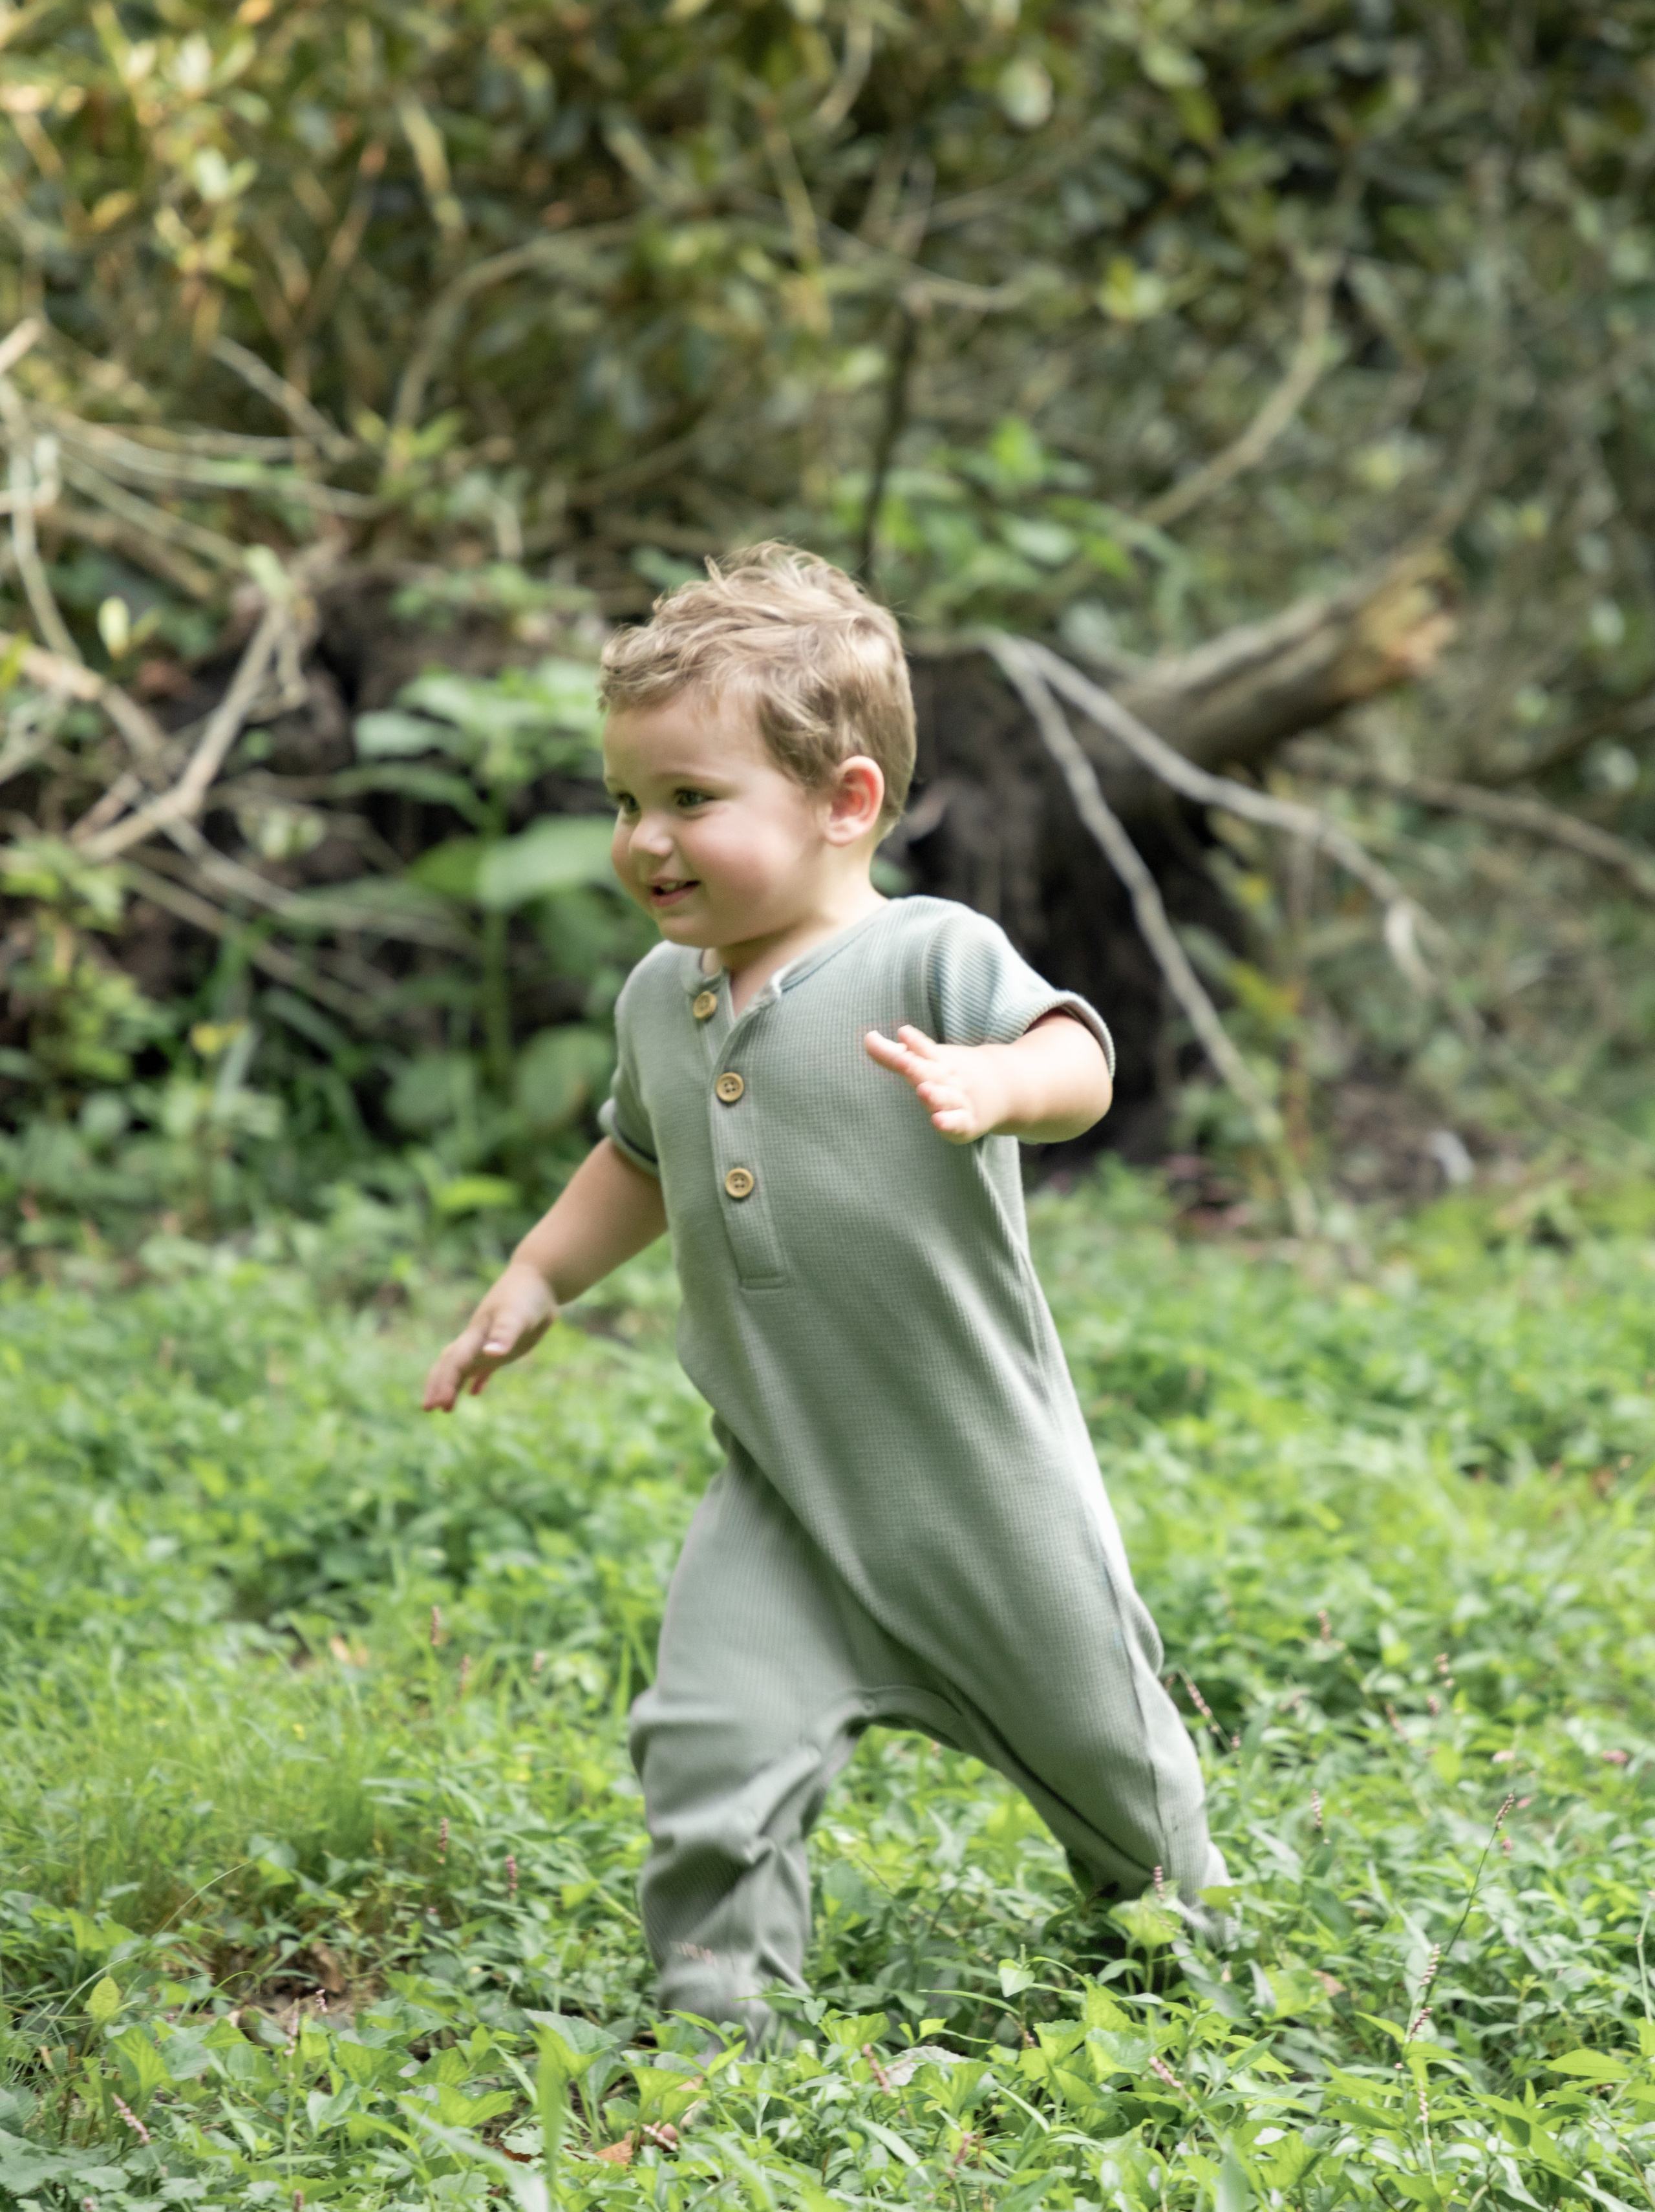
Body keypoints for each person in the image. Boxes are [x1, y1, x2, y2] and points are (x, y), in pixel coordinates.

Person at [423, 545, 1226, 2045]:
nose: (645, 840)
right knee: (706, 1745)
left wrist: (996, 1083)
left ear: (843, 802)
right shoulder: (659, 996)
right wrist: (535, 1275)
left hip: (977, 1485)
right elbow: (638, 1155)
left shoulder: (928, 956)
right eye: (624, 801)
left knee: (1110, 1764)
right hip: (781, 1477)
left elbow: (1076, 1059)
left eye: (689, 798)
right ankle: (722, 2027)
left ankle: (1199, 1963)